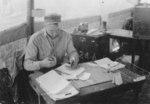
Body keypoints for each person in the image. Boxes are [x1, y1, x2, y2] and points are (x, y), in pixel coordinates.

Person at [23, 13, 79, 103]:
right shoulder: (35, 38)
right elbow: (27, 64)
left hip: (60, 70)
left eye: (57, 30)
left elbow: (72, 52)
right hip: (41, 72)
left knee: (74, 91)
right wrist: (42, 63)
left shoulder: (66, 36)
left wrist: (73, 58)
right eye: (51, 31)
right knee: (52, 96)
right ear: (45, 26)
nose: (55, 33)